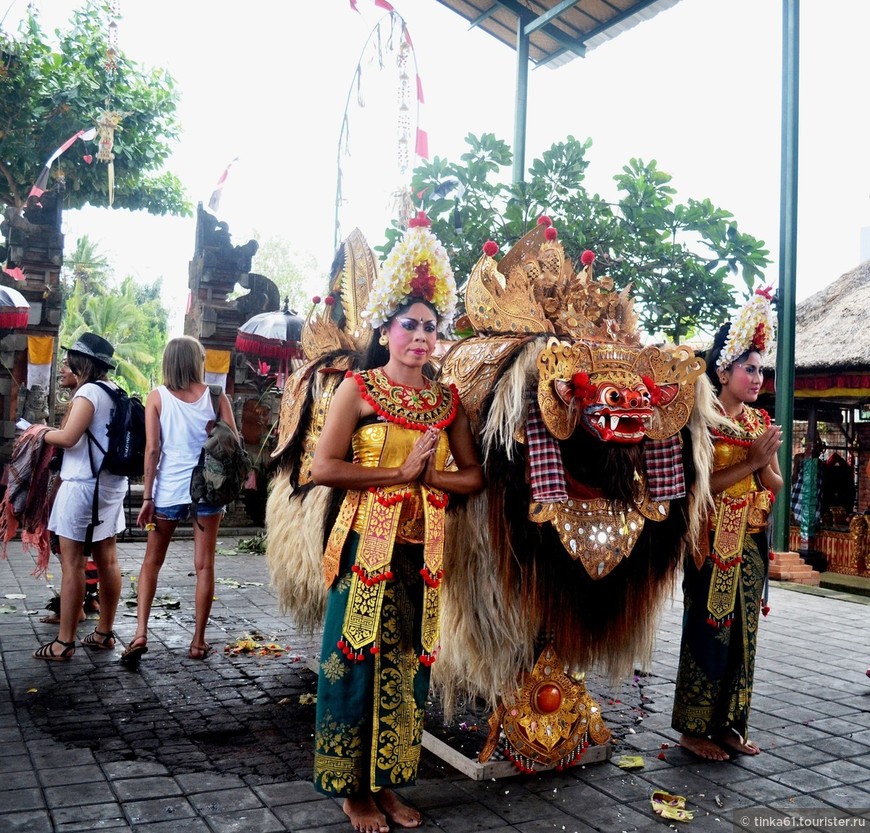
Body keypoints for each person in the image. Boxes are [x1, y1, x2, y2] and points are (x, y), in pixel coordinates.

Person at [310, 213, 483, 833]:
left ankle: (387, 785)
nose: (420, 336)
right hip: (363, 548)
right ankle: (350, 789)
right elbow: (322, 467)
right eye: (409, 324)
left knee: (408, 665)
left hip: (421, 551)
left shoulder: (447, 399)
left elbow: (474, 477)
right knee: (355, 661)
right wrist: (396, 476)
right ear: (385, 331)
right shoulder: (357, 389)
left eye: (431, 328)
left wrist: (430, 478)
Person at [671, 290, 783, 760]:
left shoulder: (759, 422)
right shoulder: (699, 420)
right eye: (748, 368)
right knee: (708, 630)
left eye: (760, 369)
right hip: (710, 538)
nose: (757, 378)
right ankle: (695, 728)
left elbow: (774, 484)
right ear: (722, 371)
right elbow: (696, 487)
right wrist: (750, 463)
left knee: (743, 636)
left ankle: (730, 725)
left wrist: (762, 465)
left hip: (751, 541)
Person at [120, 336, 238, 667]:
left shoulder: (157, 397)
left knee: (151, 563)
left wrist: (147, 496)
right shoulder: (216, 397)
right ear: (197, 361)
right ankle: (198, 642)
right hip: (209, 491)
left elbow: (153, 449)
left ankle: (140, 632)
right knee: (204, 566)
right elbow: (234, 443)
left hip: (169, 492)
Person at [34, 333, 126, 660]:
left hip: (83, 486)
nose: (63, 364)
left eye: (68, 358)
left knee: (71, 564)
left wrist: (39, 432)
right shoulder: (116, 390)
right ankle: (104, 633)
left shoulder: (88, 392)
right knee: (108, 559)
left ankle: (64, 642)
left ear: (81, 362)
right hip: (112, 485)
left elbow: (69, 438)